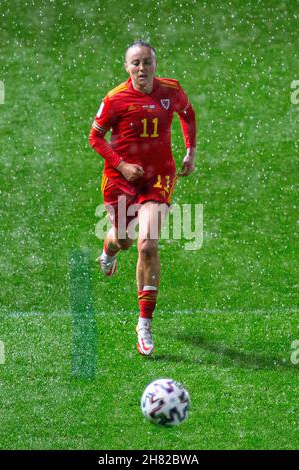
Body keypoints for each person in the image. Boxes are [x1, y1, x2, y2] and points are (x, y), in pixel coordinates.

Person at [89, 40, 196, 356]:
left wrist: (190, 151)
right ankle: (109, 251)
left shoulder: (170, 91)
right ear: (126, 67)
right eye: (135, 63)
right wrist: (121, 164)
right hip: (121, 180)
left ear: (155, 64)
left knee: (147, 243)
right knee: (123, 239)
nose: (142, 68)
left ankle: (144, 324)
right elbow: (95, 137)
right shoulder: (115, 100)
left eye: (147, 62)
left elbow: (187, 114)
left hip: (158, 177)